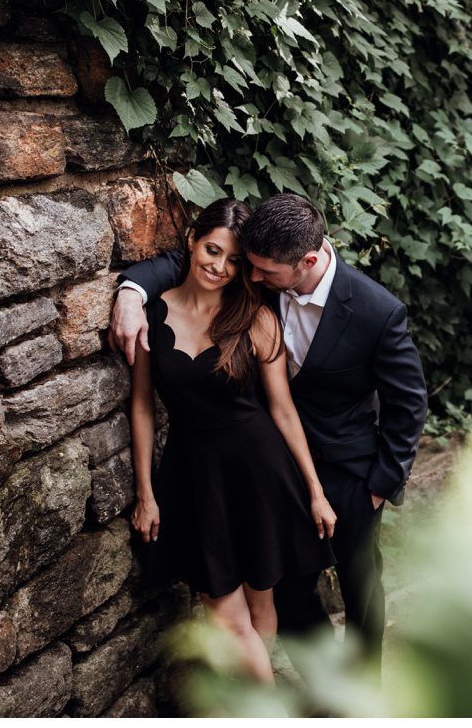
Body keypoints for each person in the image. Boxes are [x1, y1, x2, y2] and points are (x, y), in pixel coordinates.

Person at [112, 192, 427, 679]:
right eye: (249, 266)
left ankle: (363, 696)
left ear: (306, 262)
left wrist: (380, 485)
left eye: (262, 271)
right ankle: (322, 689)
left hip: (349, 472)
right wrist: (132, 291)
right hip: (268, 466)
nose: (251, 278)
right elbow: (190, 258)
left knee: (359, 585)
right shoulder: (260, 268)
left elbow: (408, 404)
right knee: (289, 588)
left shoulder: (376, 310)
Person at [127, 198, 337, 684]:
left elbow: (282, 410)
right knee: (226, 615)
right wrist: (145, 493)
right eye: (212, 250)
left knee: (260, 604)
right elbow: (141, 406)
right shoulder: (150, 316)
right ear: (192, 242)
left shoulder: (256, 318)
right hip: (194, 476)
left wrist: (315, 490)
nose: (220, 267)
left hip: (260, 473)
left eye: (235, 260)